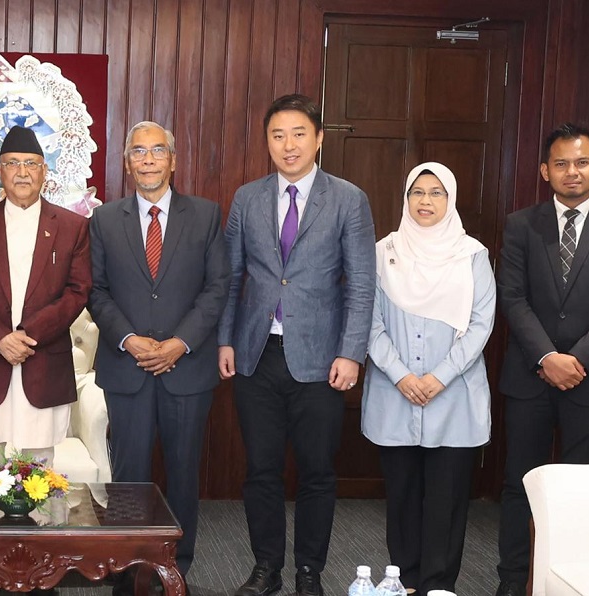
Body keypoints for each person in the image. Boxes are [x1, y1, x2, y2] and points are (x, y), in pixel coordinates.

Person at [218, 94, 376, 596]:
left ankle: (310, 571)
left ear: (319, 138)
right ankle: (266, 568)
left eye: (299, 134)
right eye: (278, 135)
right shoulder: (247, 198)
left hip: (322, 360)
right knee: (260, 471)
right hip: (256, 354)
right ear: (267, 141)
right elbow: (231, 277)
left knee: (317, 472)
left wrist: (351, 352)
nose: (289, 145)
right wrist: (225, 340)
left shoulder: (348, 198)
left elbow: (362, 283)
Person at [494, 123, 589, 596]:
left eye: (581, 162)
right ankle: (512, 580)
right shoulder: (521, 224)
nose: (572, 172)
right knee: (520, 483)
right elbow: (512, 297)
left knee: (583, 491)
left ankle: (569, 583)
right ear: (545, 171)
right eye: (560, 163)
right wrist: (546, 356)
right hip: (529, 377)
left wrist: (575, 359)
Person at [88, 121, 229, 579]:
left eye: (157, 151)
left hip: (186, 369)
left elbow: (217, 288)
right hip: (125, 368)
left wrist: (179, 343)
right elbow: (96, 290)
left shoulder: (205, 215)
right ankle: (128, 572)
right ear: (127, 163)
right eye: (138, 151)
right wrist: (129, 339)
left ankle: (176, 572)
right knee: (128, 476)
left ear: (172, 160)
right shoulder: (105, 220)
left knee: (183, 474)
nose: (147, 159)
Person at [361, 162, 494, 594]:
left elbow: (481, 323)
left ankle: (439, 586)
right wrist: (402, 375)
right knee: (401, 497)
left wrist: (439, 376)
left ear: (450, 200)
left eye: (437, 193)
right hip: (394, 393)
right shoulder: (383, 252)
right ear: (406, 199)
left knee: (446, 500)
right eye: (417, 192)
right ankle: (405, 582)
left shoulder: (471, 255)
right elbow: (368, 321)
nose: (426, 201)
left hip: (454, 397)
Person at [0, 125, 92, 482]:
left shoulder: (72, 226)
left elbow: (77, 291)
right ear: (0, 171)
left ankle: (35, 524)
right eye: (13, 163)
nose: (22, 172)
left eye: (31, 163)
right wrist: (0, 337)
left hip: (42, 361)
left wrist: (27, 335)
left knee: (38, 473)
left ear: (45, 171)